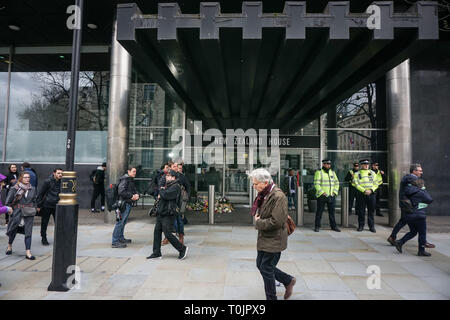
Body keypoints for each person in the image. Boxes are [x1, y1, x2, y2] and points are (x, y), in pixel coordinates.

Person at [249, 168, 296, 300]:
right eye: (253, 183)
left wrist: (258, 222)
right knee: (261, 265)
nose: (254, 186)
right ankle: (287, 280)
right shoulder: (265, 193)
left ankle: (272, 298)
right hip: (266, 237)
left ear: (265, 182)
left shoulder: (278, 196)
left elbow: (277, 221)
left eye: (255, 183)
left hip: (274, 239)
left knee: (266, 267)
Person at [387, 164, 435, 248]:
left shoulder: (410, 178)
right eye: (419, 171)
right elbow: (418, 188)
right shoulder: (411, 178)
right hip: (408, 205)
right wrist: (422, 187)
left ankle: (394, 237)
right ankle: (421, 243)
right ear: (414, 171)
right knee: (408, 223)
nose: (421, 172)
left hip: (407, 204)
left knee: (405, 222)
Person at [147, 170, 188, 260]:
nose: (167, 177)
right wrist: (161, 191)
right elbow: (161, 194)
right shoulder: (168, 185)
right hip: (161, 212)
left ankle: (182, 249)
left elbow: (165, 195)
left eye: (169, 176)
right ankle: (156, 252)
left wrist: (161, 190)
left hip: (168, 213)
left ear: (174, 177)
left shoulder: (176, 187)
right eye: (167, 175)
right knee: (157, 232)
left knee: (168, 233)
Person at [394, 178, 433, 256]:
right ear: (421, 185)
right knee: (422, 233)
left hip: (409, 214)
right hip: (419, 215)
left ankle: (400, 242)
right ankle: (421, 251)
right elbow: (430, 200)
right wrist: (424, 190)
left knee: (413, 231)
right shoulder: (421, 192)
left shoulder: (407, 191)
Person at [5, 171, 38, 260]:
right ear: (21, 178)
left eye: (28, 177)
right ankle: (9, 246)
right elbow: (8, 202)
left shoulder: (33, 188)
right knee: (13, 230)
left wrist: (35, 208)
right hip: (17, 213)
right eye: (25, 177)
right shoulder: (14, 188)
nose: (27, 179)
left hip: (29, 213)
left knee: (28, 232)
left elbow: (34, 200)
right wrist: (11, 211)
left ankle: (28, 252)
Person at [111, 167, 139, 248]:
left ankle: (120, 238)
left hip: (127, 203)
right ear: (128, 171)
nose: (135, 173)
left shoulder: (130, 179)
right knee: (120, 222)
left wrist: (137, 195)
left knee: (123, 222)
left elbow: (134, 190)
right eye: (133, 171)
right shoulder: (125, 179)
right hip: (123, 204)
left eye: (135, 172)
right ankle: (115, 241)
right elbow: (121, 191)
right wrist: (132, 196)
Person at [36, 168, 63, 246]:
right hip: (47, 205)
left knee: (58, 223)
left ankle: (59, 238)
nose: (60, 175)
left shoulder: (62, 182)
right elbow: (41, 193)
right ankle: (43, 238)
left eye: (61, 173)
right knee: (44, 222)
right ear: (54, 173)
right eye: (58, 173)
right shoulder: (48, 181)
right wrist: (38, 205)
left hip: (57, 205)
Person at [313, 159, 340, 232]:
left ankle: (333, 226)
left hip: (331, 195)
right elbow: (316, 184)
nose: (328, 165)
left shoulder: (333, 173)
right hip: (322, 196)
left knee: (332, 212)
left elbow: (337, 183)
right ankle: (317, 226)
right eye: (327, 164)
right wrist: (322, 192)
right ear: (323, 164)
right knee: (319, 212)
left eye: (329, 164)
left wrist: (335, 192)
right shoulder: (319, 172)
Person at [354, 159, 378, 232]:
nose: (366, 165)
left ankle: (371, 227)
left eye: (367, 164)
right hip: (362, 194)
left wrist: (371, 190)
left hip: (371, 194)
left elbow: (376, 183)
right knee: (361, 211)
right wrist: (364, 190)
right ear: (361, 165)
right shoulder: (357, 174)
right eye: (364, 164)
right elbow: (356, 184)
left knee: (371, 211)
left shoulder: (372, 173)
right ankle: (361, 226)